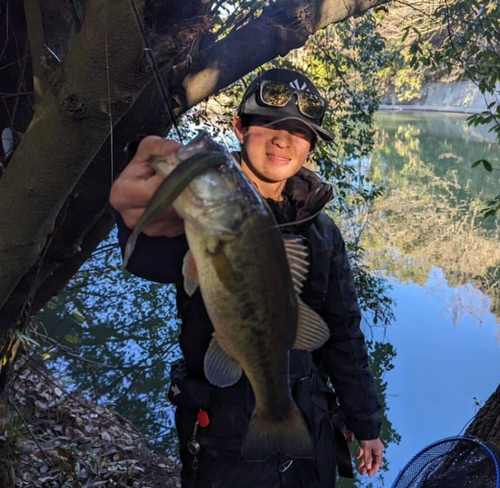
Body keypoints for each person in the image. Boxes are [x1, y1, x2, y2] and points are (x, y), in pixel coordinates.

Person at [110, 68, 383, 488]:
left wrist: (365, 422)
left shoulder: (323, 231)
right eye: (269, 125)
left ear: (310, 147)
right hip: (224, 434)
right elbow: (150, 256)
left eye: (299, 131)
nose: (282, 139)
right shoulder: (199, 209)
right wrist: (139, 219)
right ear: (239, 128)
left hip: (309, 424)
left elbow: (343, 331)